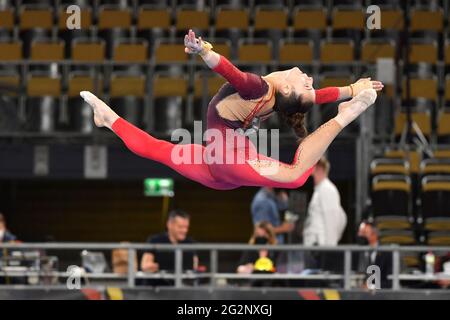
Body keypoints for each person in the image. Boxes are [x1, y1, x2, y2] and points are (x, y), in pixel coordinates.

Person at [80, 29, 383, 190]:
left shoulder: (262, 89)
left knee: (157, 149)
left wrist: (205, 53)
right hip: (223, 165)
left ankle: (347, 114)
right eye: (309, 83)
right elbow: (315, 96)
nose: (310, 79)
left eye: (306, 84)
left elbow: (233, 74)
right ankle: (109, 118)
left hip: (223, 162)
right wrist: (352, 89)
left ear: (289, 90)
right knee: (298, 177)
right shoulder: (271, 94)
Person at [141, 210, 198, 278]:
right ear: (169, 224)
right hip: (159, 284)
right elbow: (145, 266)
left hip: (184, 284)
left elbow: (194, 267)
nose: (184, 230)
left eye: (186, 227)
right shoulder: (155, 240)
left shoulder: (190, 243)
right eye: (180, 227)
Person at [303, 157, 347, 246]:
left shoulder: (327, 189)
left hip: (322, 246)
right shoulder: (320, 189)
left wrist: (330, 247)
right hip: (314, 245)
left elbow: (334, 219)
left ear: (319, 168)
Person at [356, 221, 392, 289]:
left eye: (364, 233)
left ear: (374, 235)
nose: (360, 235)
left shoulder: (387, 254)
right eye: (360, 233)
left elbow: (390, 282)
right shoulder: (355, 252)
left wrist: (371, 286)